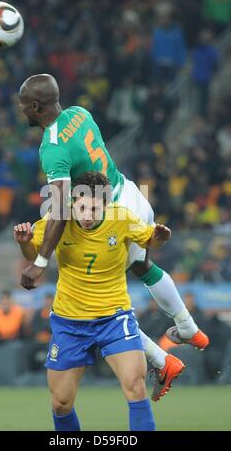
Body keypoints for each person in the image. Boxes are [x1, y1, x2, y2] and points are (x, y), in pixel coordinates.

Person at [18, 73, 209, 396]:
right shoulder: (79, 113)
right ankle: (188, 327)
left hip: (109, 219)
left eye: (23, 104)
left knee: (97, 305)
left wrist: (40, 260)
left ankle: (163, 361)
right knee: (143, 268)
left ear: (35, 106)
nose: (20, 109)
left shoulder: (52, 148)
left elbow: (62, 207)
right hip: (132, 196)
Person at [14, 171, 180, 431]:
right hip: (69, 322)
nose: (88, 215)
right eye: (82, 207)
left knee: (135, 387)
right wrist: (24, 243)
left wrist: (159, 237)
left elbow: (150, 239)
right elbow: (33, 252)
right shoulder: (57, 219)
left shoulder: (121, 217)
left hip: (115, 318)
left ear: (106, 204)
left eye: (95, 208)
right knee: (61, 403)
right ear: (72, 201)